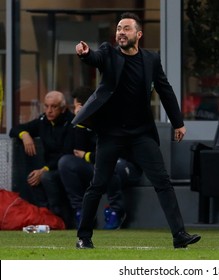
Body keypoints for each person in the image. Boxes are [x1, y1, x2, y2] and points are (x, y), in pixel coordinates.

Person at [73, 12, 200, 249]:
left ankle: (179, 235)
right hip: (111, 133)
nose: (121, 32)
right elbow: (95, 58)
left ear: (138, 34)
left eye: (126, 28)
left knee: (162, 181)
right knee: (98, 184)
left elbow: (165, 90)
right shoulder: (108, 53)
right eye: (119, 28)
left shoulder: (151, 59)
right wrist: (86, 53)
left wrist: (178, 122)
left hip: (140, 133)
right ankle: (84, 237)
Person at [58, 86, 143, 229]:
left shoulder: (110, 115)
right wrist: (80, 121)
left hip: (125, 166)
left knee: (110, 163)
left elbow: (115, 151)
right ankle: (83, 212)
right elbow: (77, 150)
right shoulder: (83, 122)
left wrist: (87, 156)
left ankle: (116, 210)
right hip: (97, 165)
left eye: (78, 107)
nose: (74, 110)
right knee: (65, 162)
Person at [9, 91, 75, 227]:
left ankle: (59, 217)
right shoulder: (43, 121)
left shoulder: (71, 123)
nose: (49, 111)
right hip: (48, 168)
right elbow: (14, 129)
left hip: (67, 167)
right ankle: (45, 216)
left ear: (63, 109)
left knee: (45, 177)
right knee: (33, 177)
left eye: (54, 107)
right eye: (46, 106)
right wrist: (24, 134)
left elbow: (67, 153)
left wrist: (44, 170)